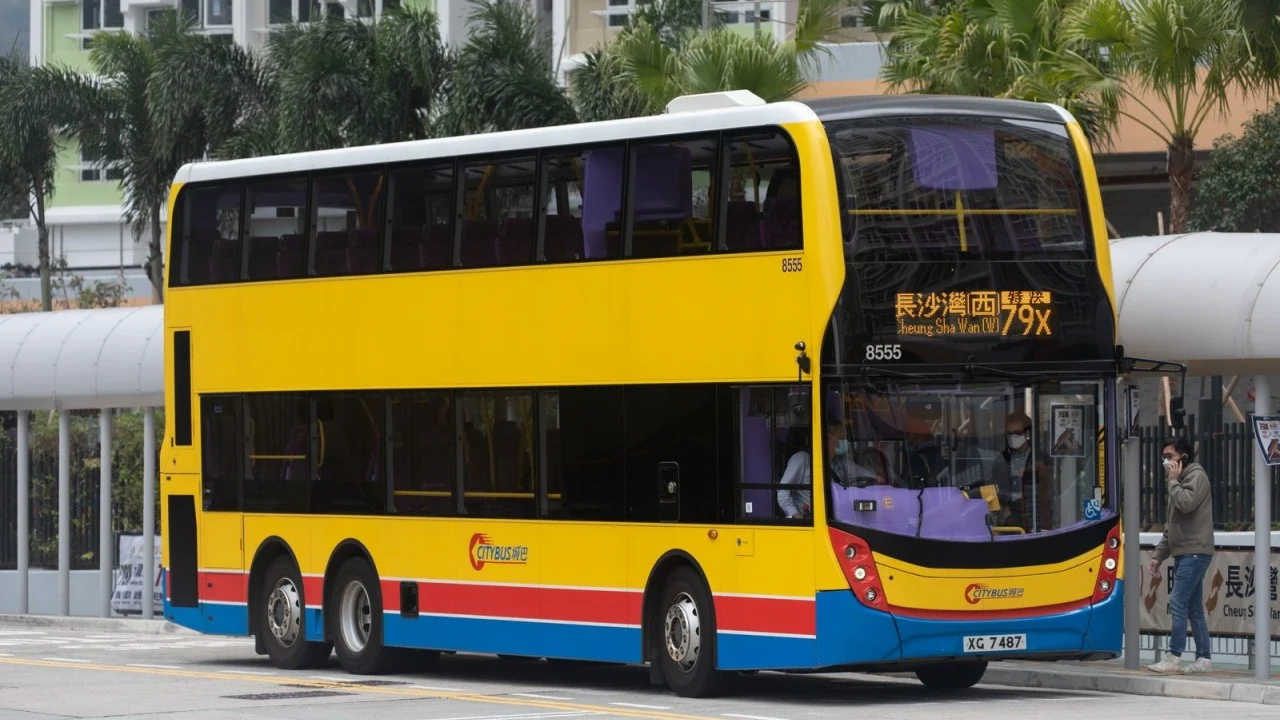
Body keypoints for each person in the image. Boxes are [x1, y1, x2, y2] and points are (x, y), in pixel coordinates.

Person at [1146, 437, 1215, 674]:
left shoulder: (1196, 477)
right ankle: (1203, 658)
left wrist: (1173, 482)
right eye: (1163, 457)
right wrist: (1158, 555)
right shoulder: (1178, 482)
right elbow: (1172, 524)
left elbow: (1186, 504)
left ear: (1183, 458)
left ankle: (1174, 655)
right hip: (1185, 552)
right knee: (1193, 607)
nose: (1165, 462)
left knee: (1177, 600)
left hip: (1195, 551)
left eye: (1170, 457)